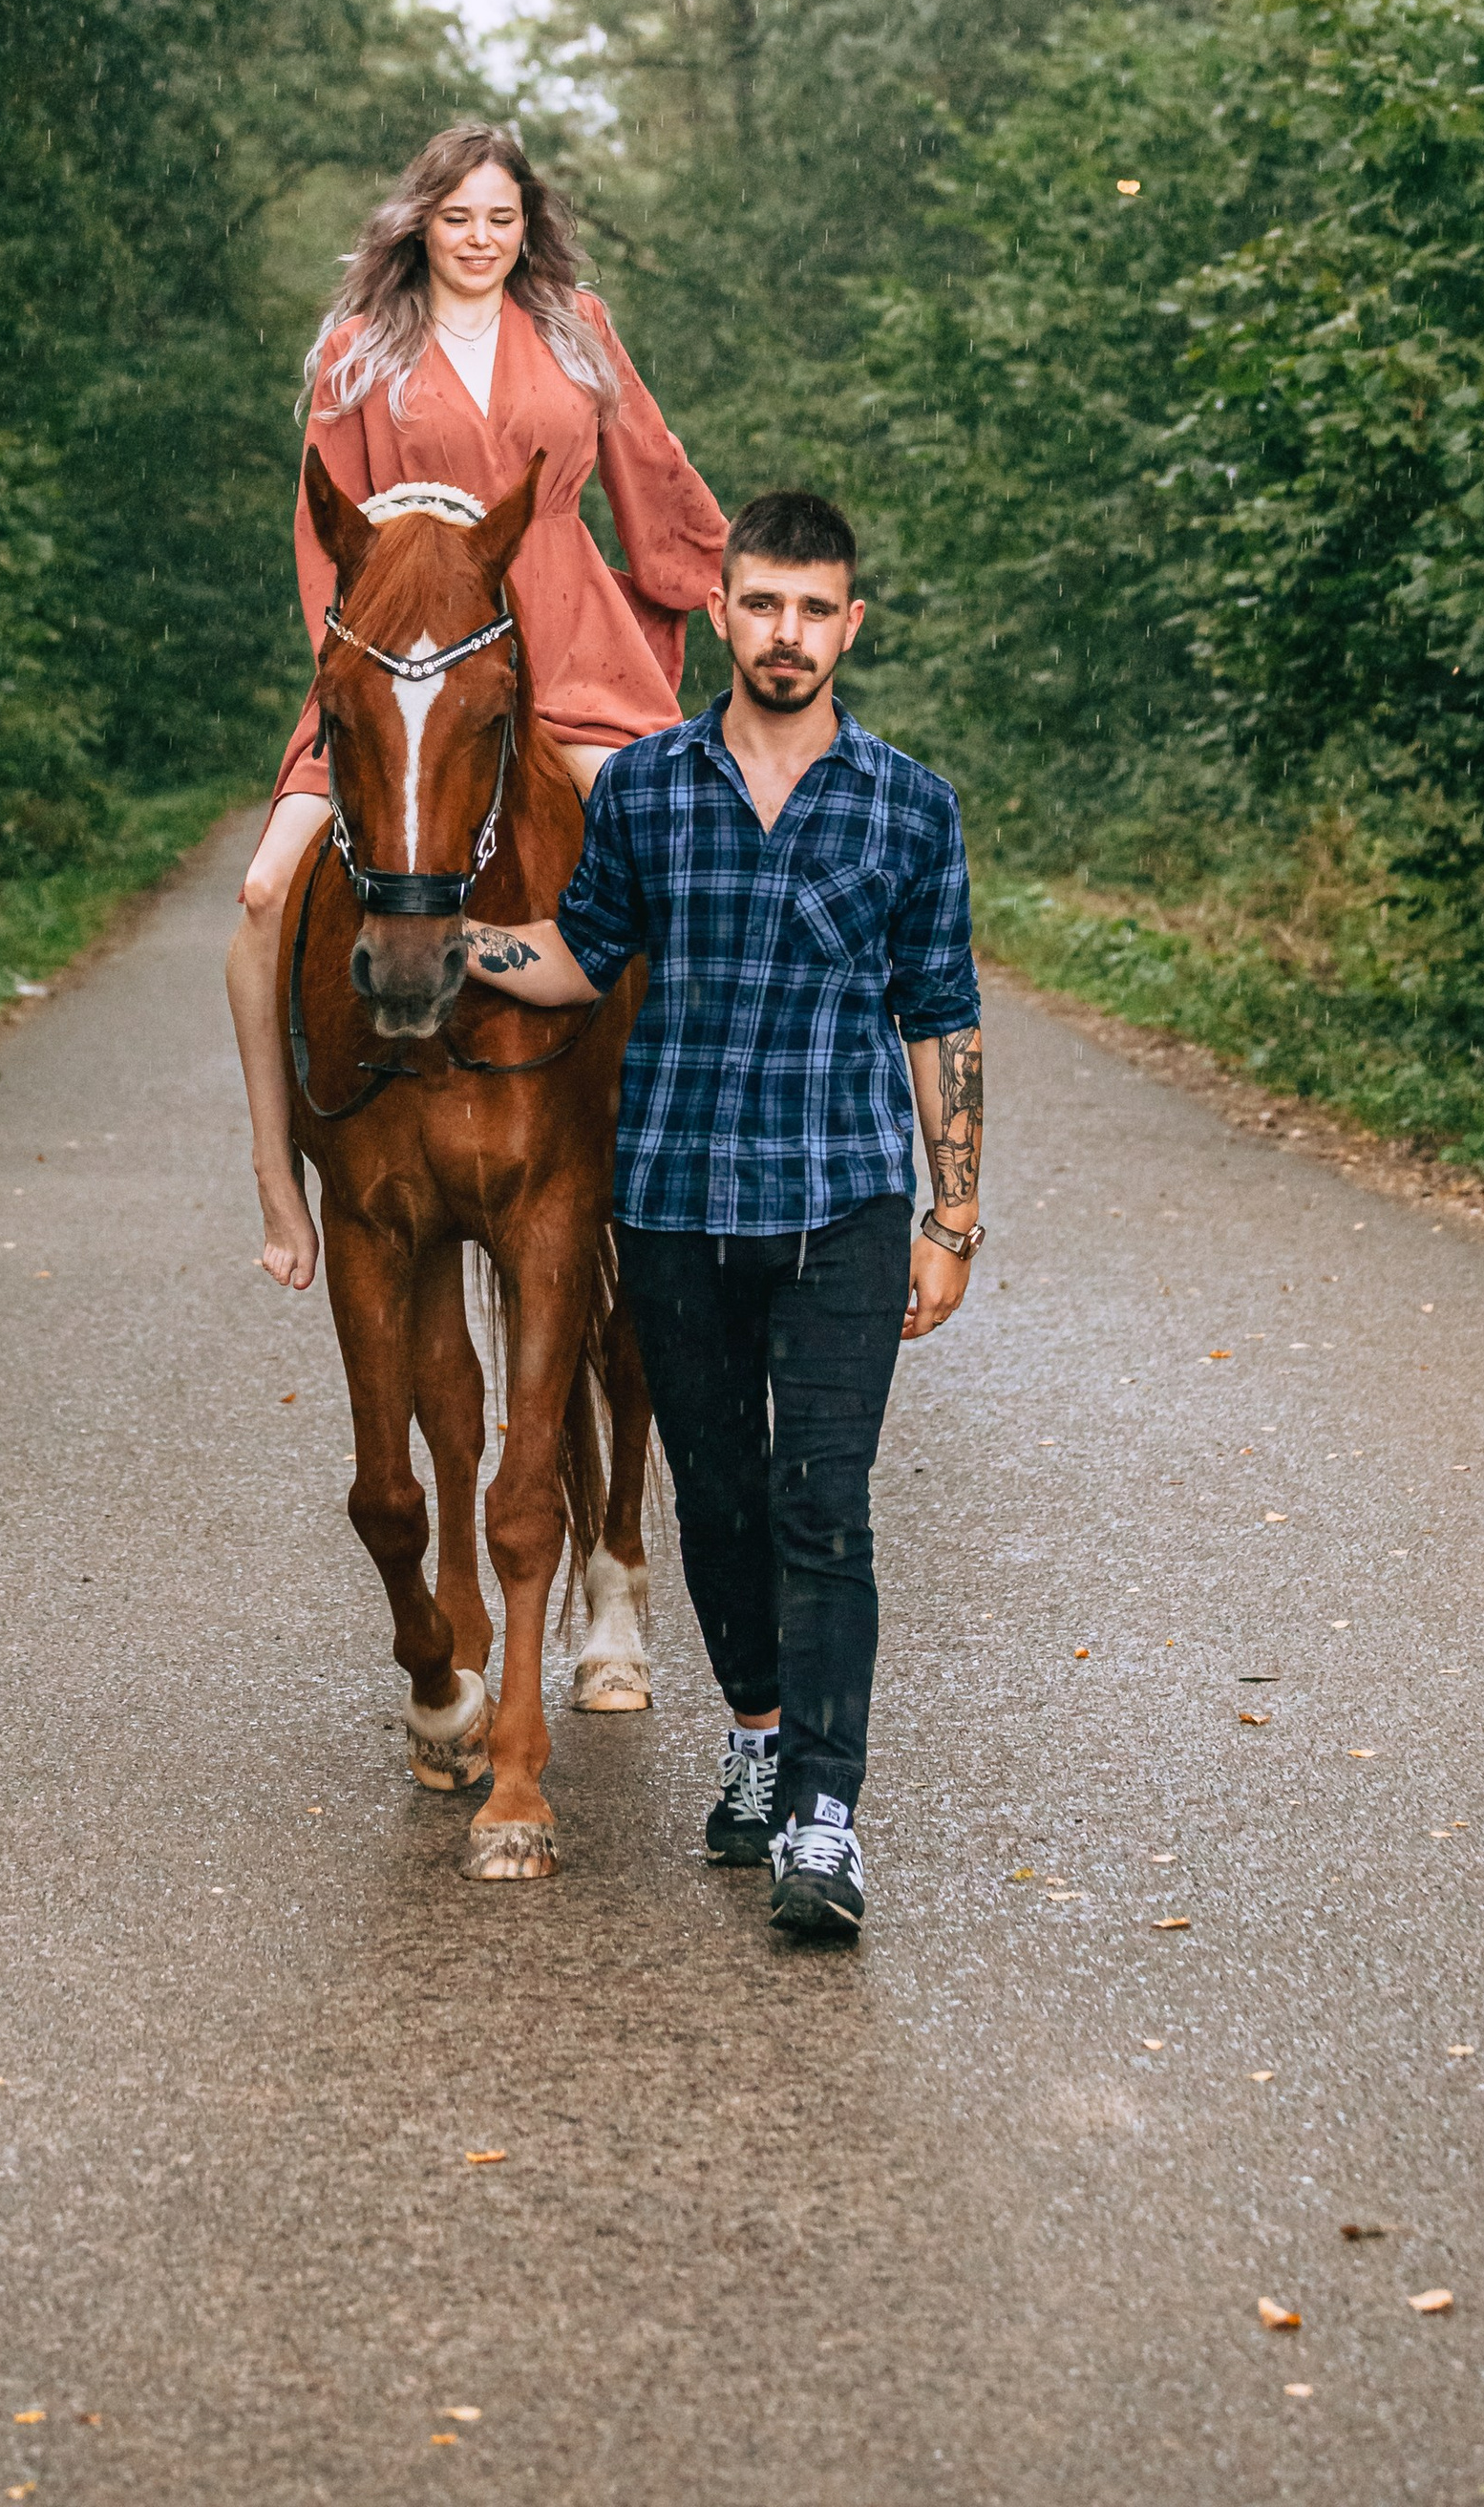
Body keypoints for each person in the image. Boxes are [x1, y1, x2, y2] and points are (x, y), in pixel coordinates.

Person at [459, 489, 985, 1941]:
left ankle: (825, 1817)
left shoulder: (909, 807)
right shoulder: (644, 789)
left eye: (816, 610)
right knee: (721, 1500)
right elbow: (582, 954)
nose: (788, 634)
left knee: (823, 1502)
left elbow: (940, 1016)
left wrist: (953, 1218)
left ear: (850, 626)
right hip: (679, 1206)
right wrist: (462, 943)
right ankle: (756, 1740)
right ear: (722, 615)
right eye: (763, 604)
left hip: (845, 1200)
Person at [225, 120, 727, 1294]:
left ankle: (677, 1166)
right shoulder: (357, 351)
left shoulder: (575, 331)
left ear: (526, 225)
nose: (480, 239)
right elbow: (329, 534)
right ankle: (274, 1175)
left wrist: (714, 589)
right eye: (458, 217)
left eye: (501, 218)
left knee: (679, 864)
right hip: (411, 666)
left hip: (572, 643)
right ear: (421, 224)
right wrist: (368, 682)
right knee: (259, 899)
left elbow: (648, 472)